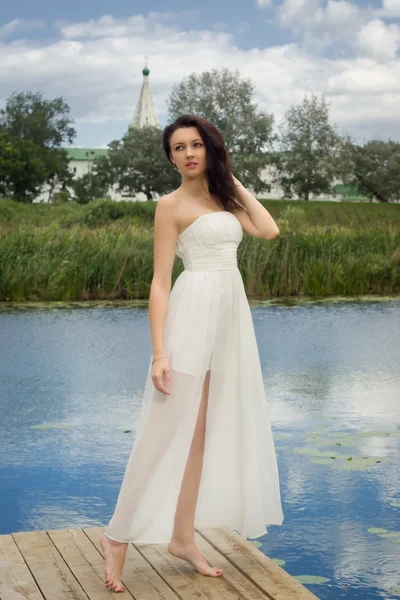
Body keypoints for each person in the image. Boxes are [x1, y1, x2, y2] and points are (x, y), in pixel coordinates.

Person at [100, 114, 284, 593]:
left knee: (200, 437)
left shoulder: (224, 200)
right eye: (178, 147)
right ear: (169, 157)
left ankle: (182, 537)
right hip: (190, 315)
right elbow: (160, 283)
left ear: (210, 149)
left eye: (197, 144)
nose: (188, 154)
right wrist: (159, 352)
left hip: (229, 319)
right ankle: (117, 536)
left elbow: (268, 229)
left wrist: (231, 177)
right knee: (163, 433)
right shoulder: (170, 206)